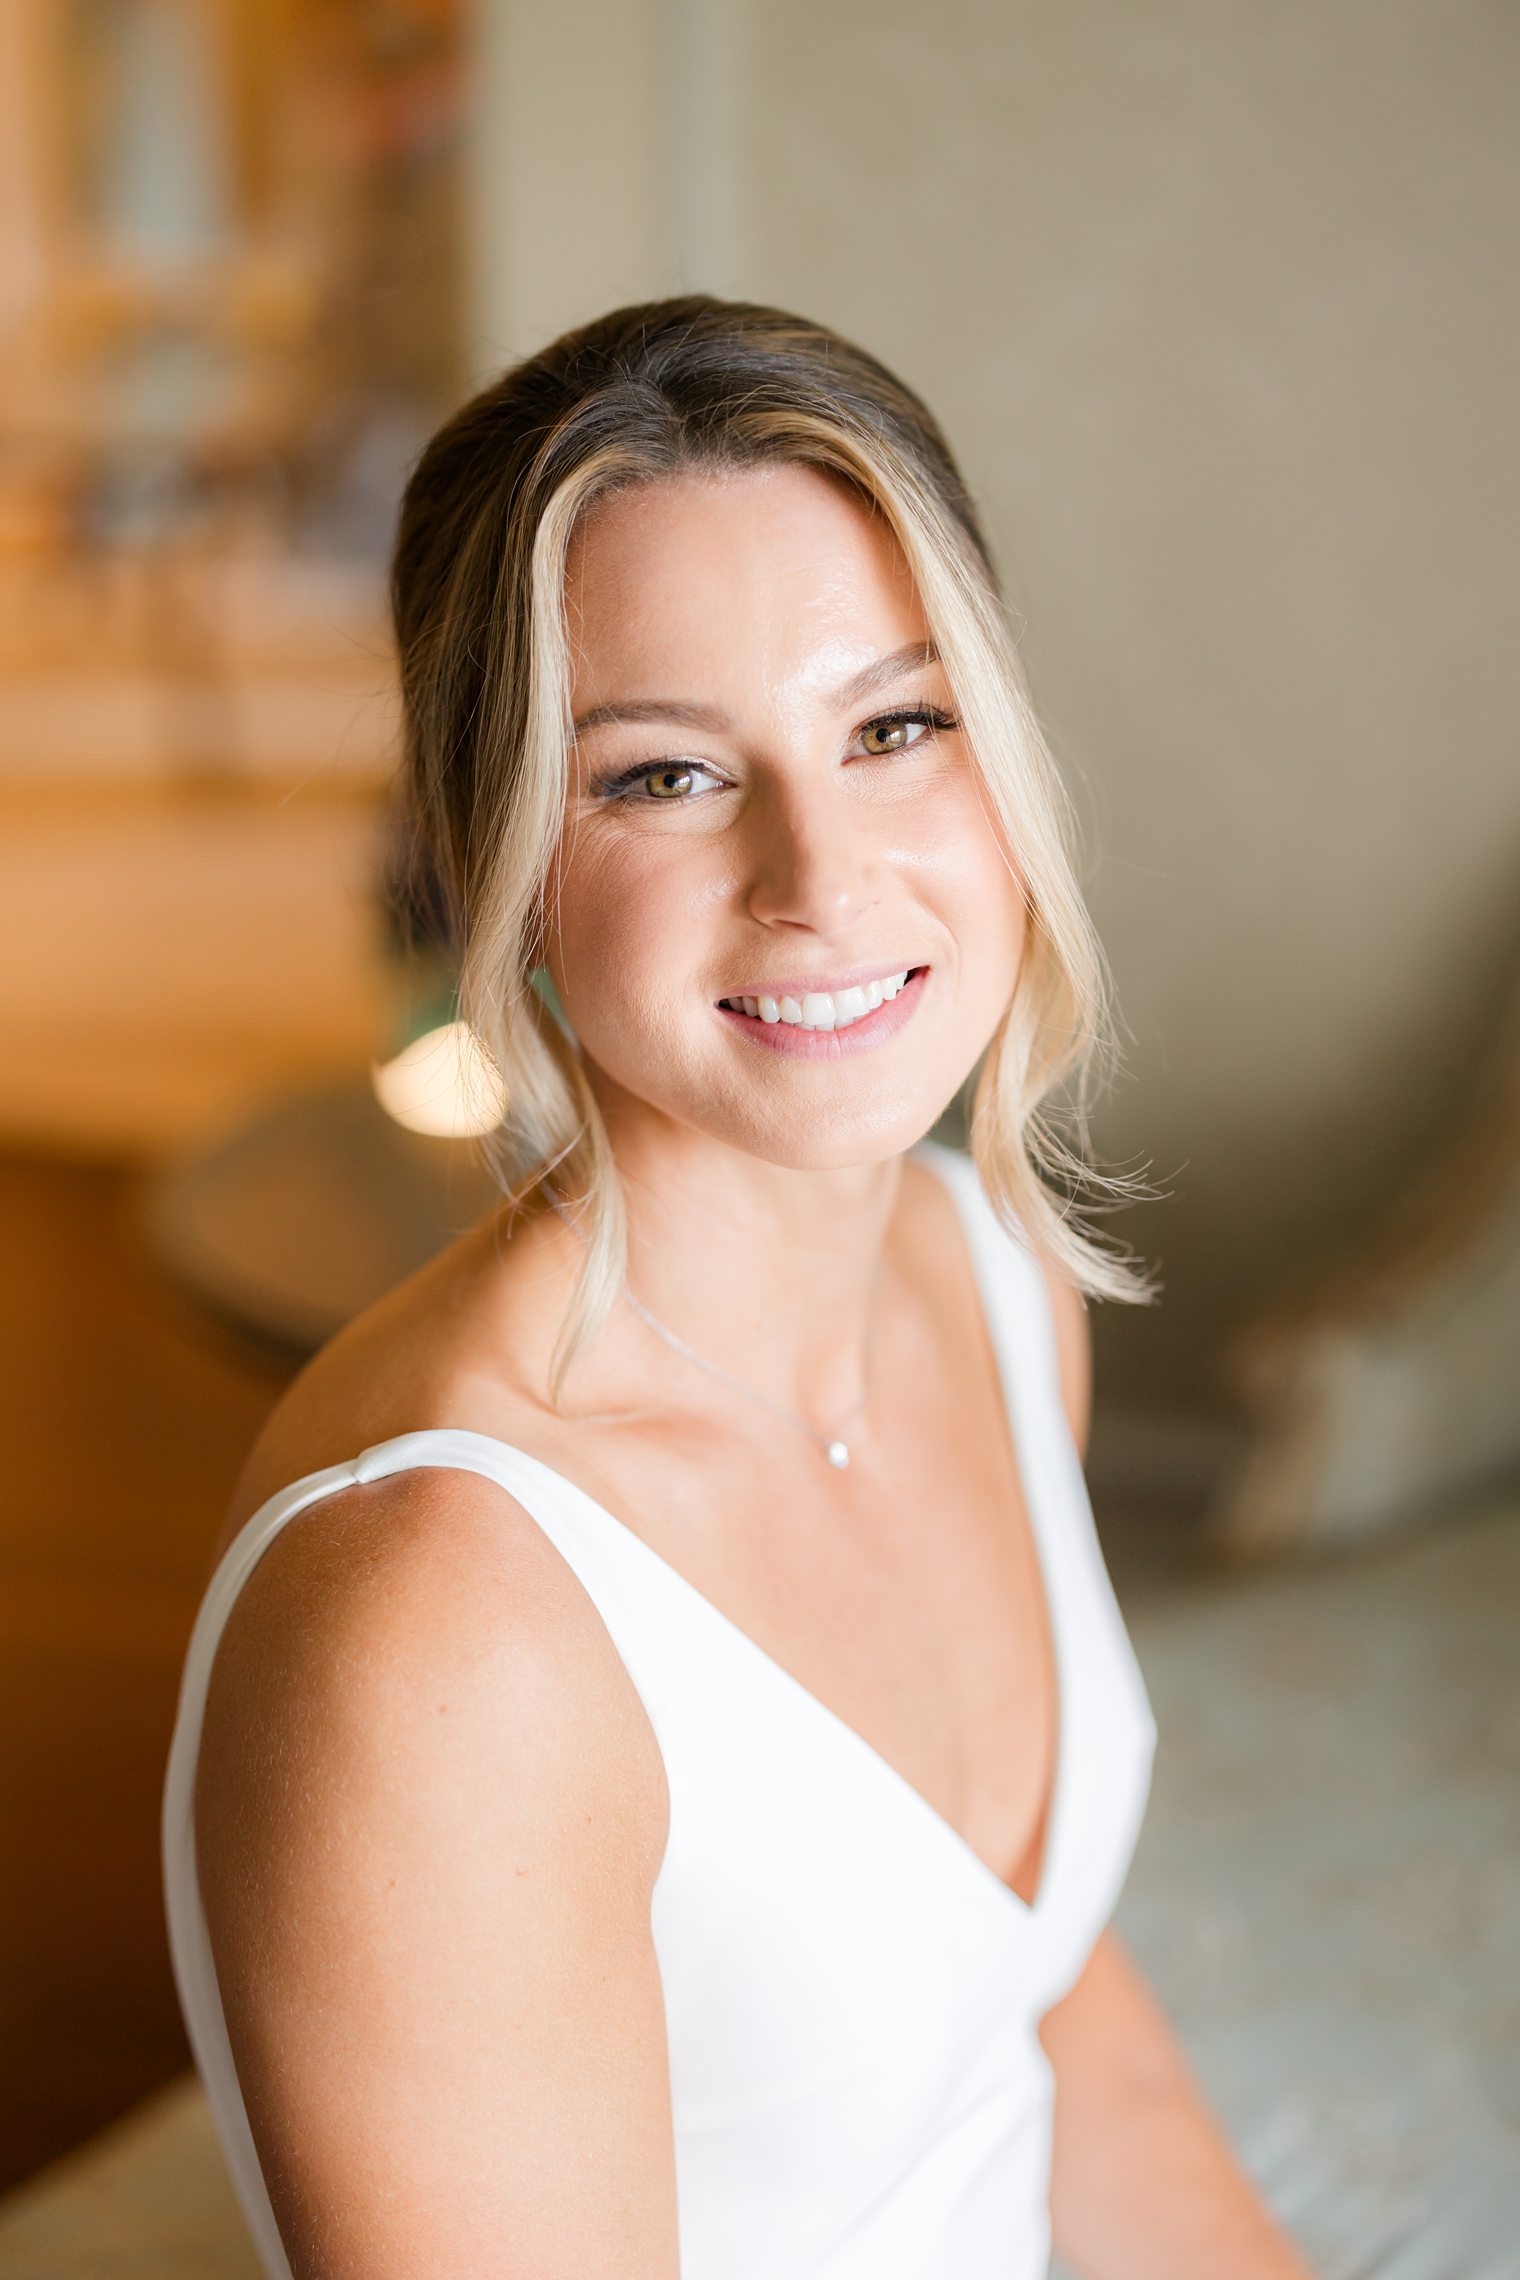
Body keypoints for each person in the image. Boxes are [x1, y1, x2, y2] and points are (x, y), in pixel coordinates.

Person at [161, 296, 1313, 2280]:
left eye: (893, 723)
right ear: (493, 858)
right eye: (666, 778)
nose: (820, 872)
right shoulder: (442, 1627)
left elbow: (1051, 2034)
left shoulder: (991, 1285)